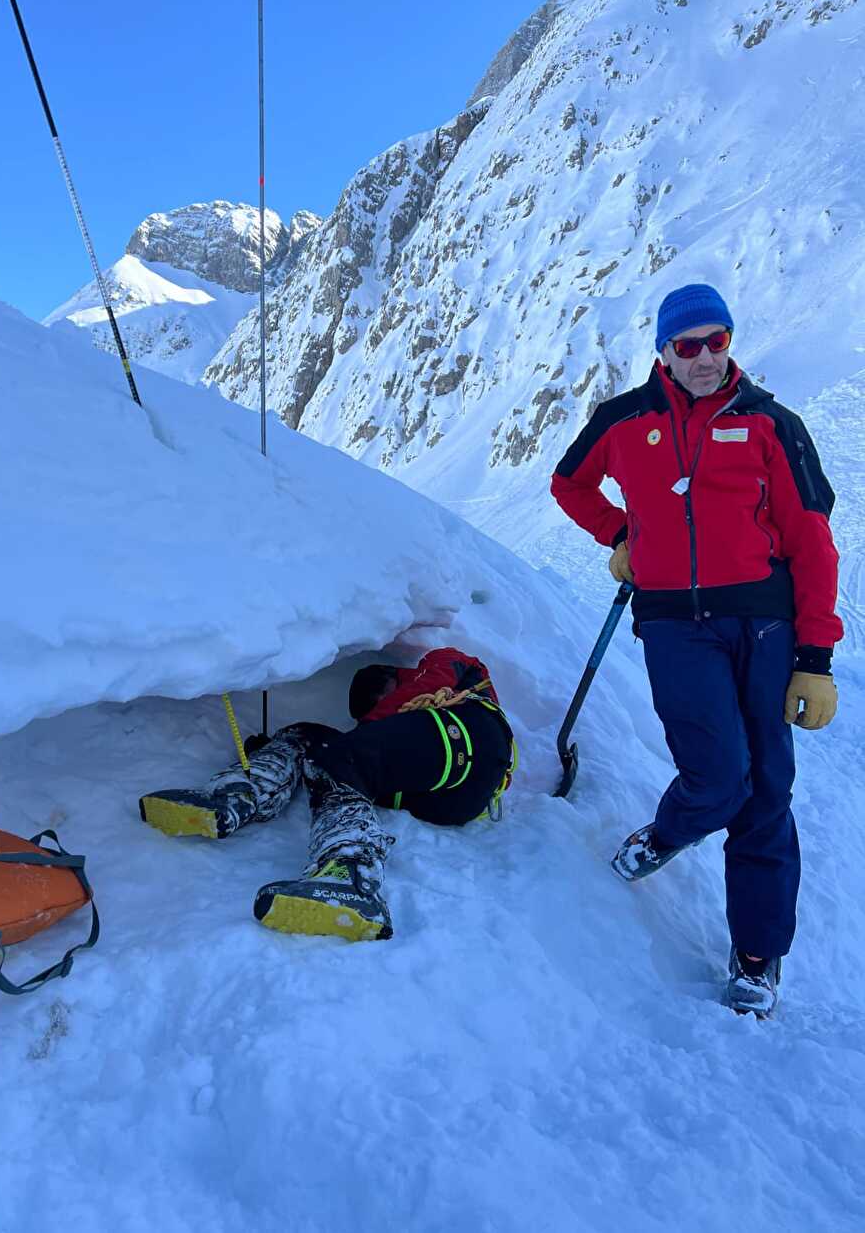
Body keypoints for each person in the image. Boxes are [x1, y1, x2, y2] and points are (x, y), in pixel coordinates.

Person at [550, 283, 842, 1015]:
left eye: (717, 341)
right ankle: (671, 828)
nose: (706, 357)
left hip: (766, 626)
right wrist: (620, 535)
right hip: (674, 624)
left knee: (766, 787)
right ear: (662, 352)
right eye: (688, 346)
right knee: (717, 774)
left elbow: (811, 542)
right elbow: (568, 483)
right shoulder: (623, 420)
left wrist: (815, 657)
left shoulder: (772, 423)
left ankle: (755, 955)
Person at [139, 648, 516, 942]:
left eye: (379, 698)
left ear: (391, 679)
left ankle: (352, 877)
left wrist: (358, 740)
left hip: (473, 738)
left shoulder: (444, 665)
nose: (377, 711)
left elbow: (432, 680)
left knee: (342, 758)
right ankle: (238, 794)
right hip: (448, 799)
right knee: (309, 738)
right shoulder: (391, 728)